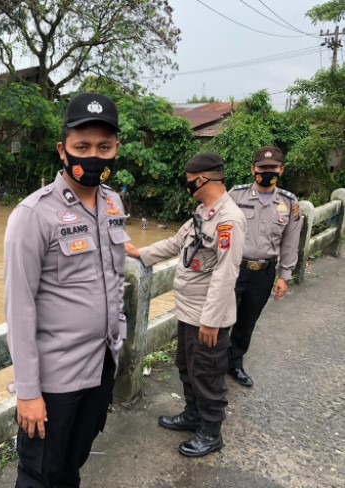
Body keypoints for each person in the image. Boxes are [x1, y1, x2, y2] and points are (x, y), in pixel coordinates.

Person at [4, 92, 130, 487]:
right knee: (41, 473)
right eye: (83, 146)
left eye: (103, 147)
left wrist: (120, 332)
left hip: (101, 365)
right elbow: (19, 307)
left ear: (115, 149)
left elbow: (116, 277)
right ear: (63, 150)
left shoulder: (113, 203)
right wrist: (27, 392)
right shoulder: (32, 215)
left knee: (73, 464)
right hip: (55, 380)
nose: (94, 155)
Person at [125, 152, 245, 457]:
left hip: (207, 317)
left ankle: (211, 432)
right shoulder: (203, 211)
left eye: (189, 179)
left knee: (207, 373)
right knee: (187, 367)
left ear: (202, 179)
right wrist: (139, 253)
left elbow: (225, 272)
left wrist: (212, 320)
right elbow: (176, 244)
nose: (187, 184)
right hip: (189, 311)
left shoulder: (228, 219)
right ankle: (194, 415)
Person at [227, 146, 302, 387]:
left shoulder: (290, 203)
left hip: (264, 272)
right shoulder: (235, 196)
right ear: (253, 169)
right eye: (262, 168)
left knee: (248, 320)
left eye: (272, 168)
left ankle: (235, 363)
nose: (267, 172)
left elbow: (291, 241)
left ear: (281, 169)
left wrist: (285, 275)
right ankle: (212, 363)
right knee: (219, 316)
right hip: (233, 268)